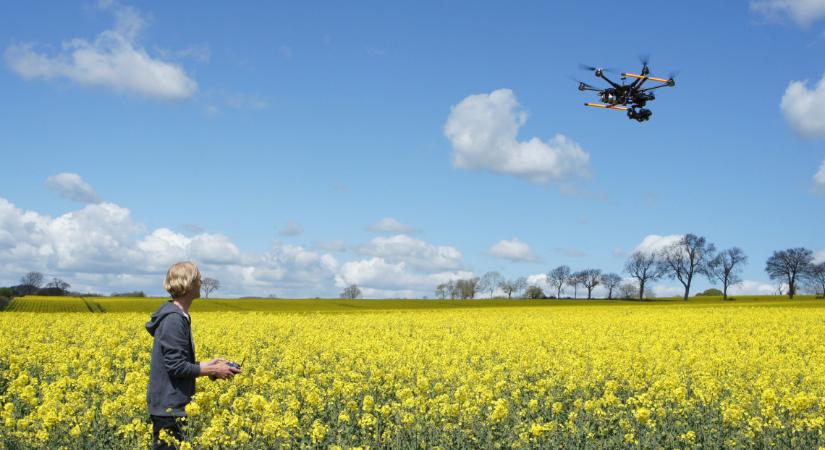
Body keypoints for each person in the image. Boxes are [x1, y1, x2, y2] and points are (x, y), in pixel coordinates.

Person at [145, 261, 241, 449]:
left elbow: (176, 362)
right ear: (188, 283)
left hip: (173, 405)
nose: (201, 281)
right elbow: (175, 366)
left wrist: (209, 365)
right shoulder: (173, 319)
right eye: (198, 278)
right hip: (169, 408)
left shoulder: (178, 316)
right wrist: (213, 369)